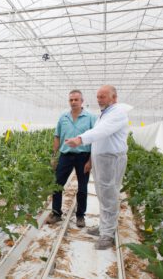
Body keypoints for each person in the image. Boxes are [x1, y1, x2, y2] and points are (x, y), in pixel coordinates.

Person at [65, 85, 128, 250]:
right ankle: (104, 227)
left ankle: (108, 235)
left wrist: (80, 139)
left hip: (111, 160)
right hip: (103, 160)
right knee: (103, 195)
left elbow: (101, 131)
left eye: (103, 96)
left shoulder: (118, 113)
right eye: (98, 96)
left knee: (109, 195)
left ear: (114, 97)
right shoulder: (105, 113)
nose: (99, 99)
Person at [46, 90, 96, 227]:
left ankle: (80, 216)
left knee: (82, 187)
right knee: (57, 184)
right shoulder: (63, 117)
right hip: (65, 155)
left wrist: (90, 161)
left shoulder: (91, 118)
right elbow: (57, 136)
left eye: (76, 100)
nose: (73, 102)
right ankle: (56, 213)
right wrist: (54, 156)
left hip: (83, 156)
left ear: (82, 101)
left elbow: (95, 140)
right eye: (71, 100)